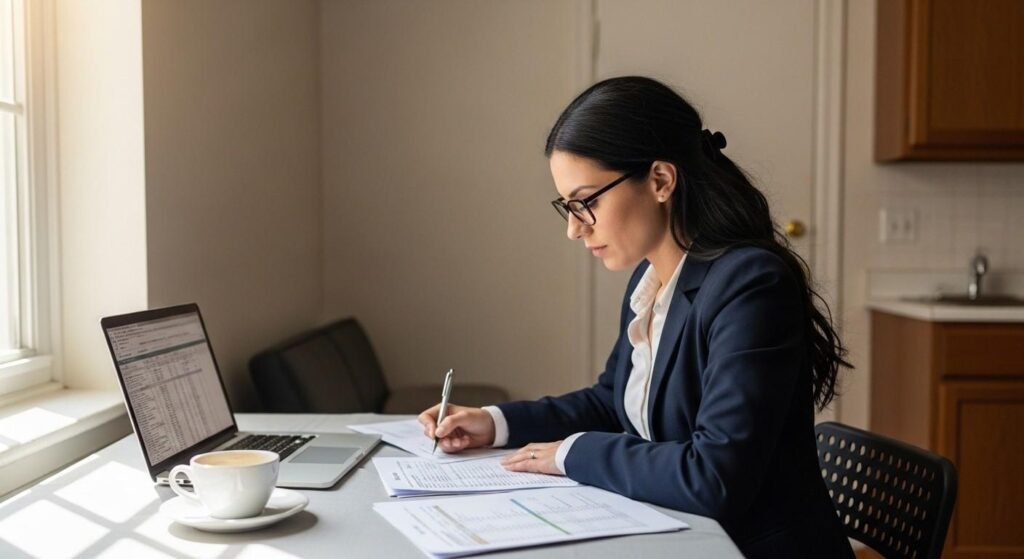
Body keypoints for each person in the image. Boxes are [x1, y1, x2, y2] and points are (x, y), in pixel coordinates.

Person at [418, 76, 855, 558]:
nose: (573, 228)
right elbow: (612, 402)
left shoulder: (750, 284)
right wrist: (494, 422)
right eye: (567, 205)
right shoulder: (651, 280)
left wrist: (572, 453)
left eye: (587, 202)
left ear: (661, 180)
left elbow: (714, 477)